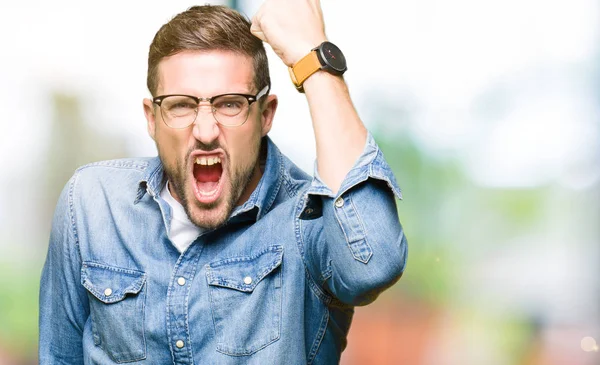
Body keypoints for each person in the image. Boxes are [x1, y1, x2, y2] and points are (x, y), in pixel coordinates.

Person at [39, 0, 407, 363]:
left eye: (230, 103)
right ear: (152, 119)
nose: (205, 131)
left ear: (266, 115)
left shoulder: (306, 221)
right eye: (181, 104)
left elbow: (371, 266)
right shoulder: (91, 204)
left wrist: (315, 63)